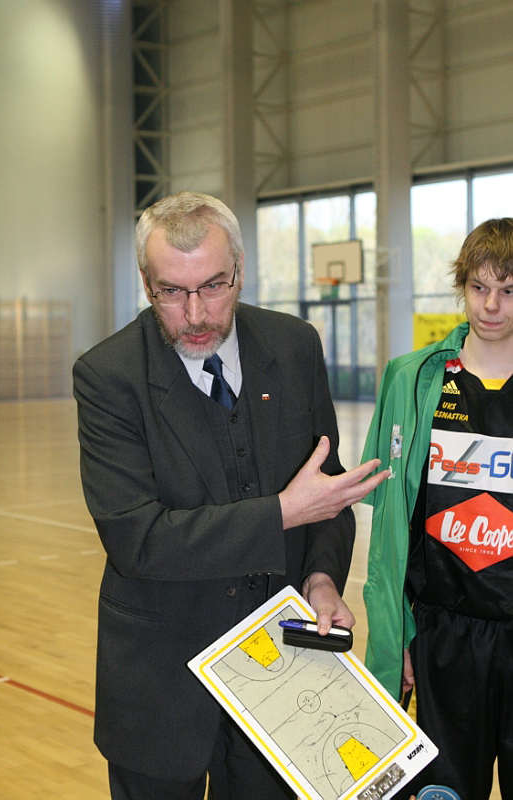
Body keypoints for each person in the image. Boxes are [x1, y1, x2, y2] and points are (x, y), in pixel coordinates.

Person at [73, 191, 388, 800]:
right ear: (146, 282)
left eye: (214, 286)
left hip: (282, 679)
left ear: (240, 271)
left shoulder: (295, 346)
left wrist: (322, 578)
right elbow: (139, 540)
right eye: (171, 291)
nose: (195, 313)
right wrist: (283, 513)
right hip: (160, 684)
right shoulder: (107, 375)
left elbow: (326, 491)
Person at [361, 217, 513, 800]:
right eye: (479, 287)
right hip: (443, 635)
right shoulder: (413, 378)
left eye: (508, 290)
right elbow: (389, 525)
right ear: (462, 286)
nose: (491, 305)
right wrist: (397, 633)